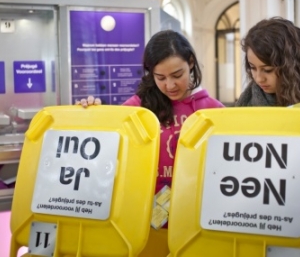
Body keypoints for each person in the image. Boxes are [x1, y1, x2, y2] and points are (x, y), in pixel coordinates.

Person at [78, 29, 224, 257]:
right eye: (160, 78)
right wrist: (91, 112)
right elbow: (102, 140)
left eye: (177, 75)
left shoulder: (213, 110)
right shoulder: (139, 106)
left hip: (197, 220)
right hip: (143, 219)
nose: (170, 85)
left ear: (191, 63)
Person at [235, 16, 300, 106]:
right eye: (253, 68)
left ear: (292, 66)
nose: (259, 79)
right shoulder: (247, 102)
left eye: (267, 70)